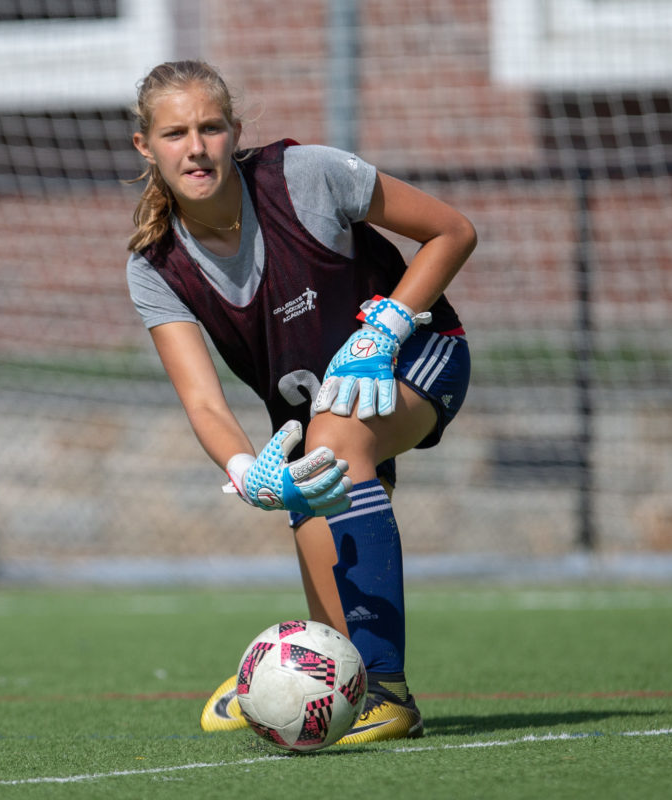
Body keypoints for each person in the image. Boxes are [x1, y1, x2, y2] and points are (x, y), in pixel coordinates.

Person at [125, 60, 476, 744]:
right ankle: (293, 673)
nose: (195, 147)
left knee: (332, 436)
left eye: (210, 127)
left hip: (419, 356)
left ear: (233, 131)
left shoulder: (305, 176)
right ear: (146, 146)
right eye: (175, 133)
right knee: (329, 639)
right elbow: (203, 401)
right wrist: (245, 471)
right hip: (318, 428)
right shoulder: (154, 264)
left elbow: (452, 231)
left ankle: (390, 696)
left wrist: (387, 327)